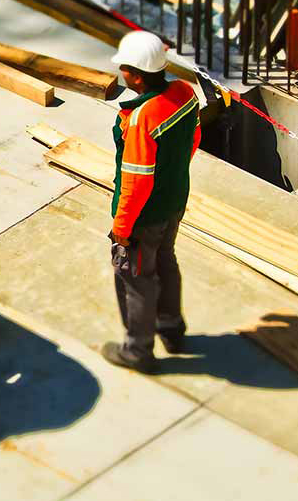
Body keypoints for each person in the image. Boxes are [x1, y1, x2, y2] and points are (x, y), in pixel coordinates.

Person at [103, 31, 201, 373]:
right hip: (174, 201)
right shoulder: (185, 94)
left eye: (124, 69)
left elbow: (136, 180)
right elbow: (194, 138)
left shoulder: (143, 116)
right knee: (166, 260)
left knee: (135, 277)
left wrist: (122, 227)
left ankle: (138, 351)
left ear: (136, 75)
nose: (122, 74)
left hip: (145, 216)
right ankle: (172, 329)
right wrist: (173, 180)